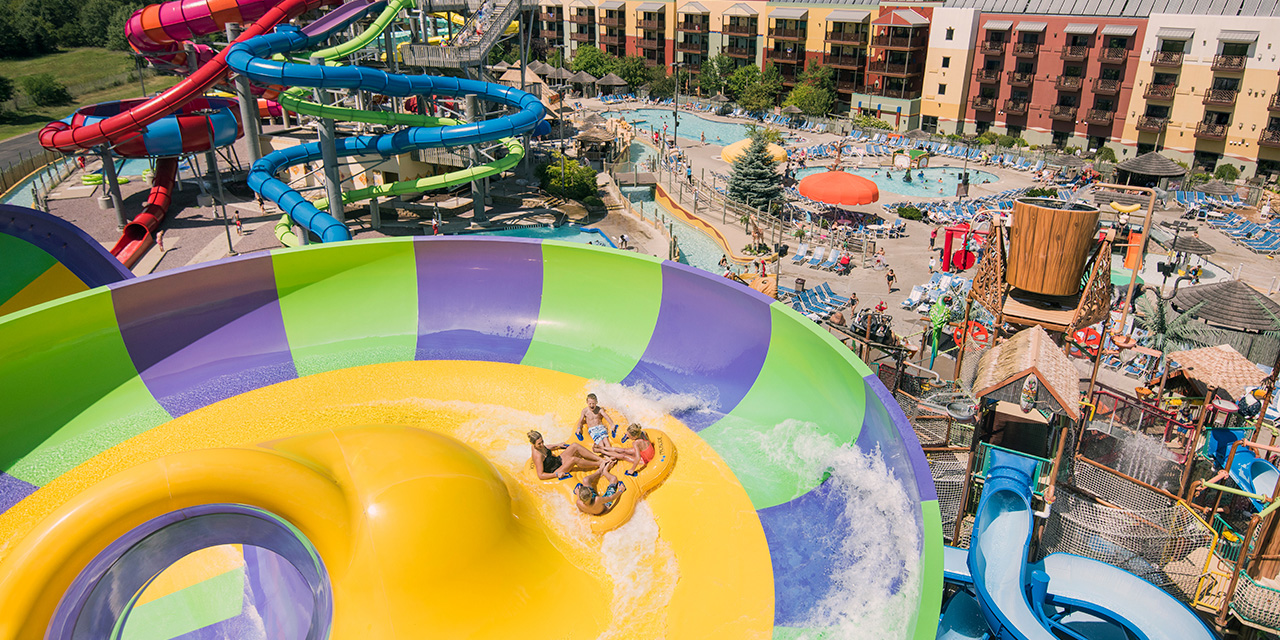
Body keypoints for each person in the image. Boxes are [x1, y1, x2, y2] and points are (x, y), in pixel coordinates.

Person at [528, 430, 602, 480]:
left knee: (574, 445)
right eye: (539, 444)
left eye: (542, 441)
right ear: (533, 444)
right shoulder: (538, 456)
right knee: (573, 459)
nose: (542, 444)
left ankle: (600, 459)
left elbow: (545, 447)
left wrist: (558, 445)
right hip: (554, 470)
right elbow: (540, 475)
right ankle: (599, 464)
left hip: (556, 461)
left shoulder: (538, 446)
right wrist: (556, 474)